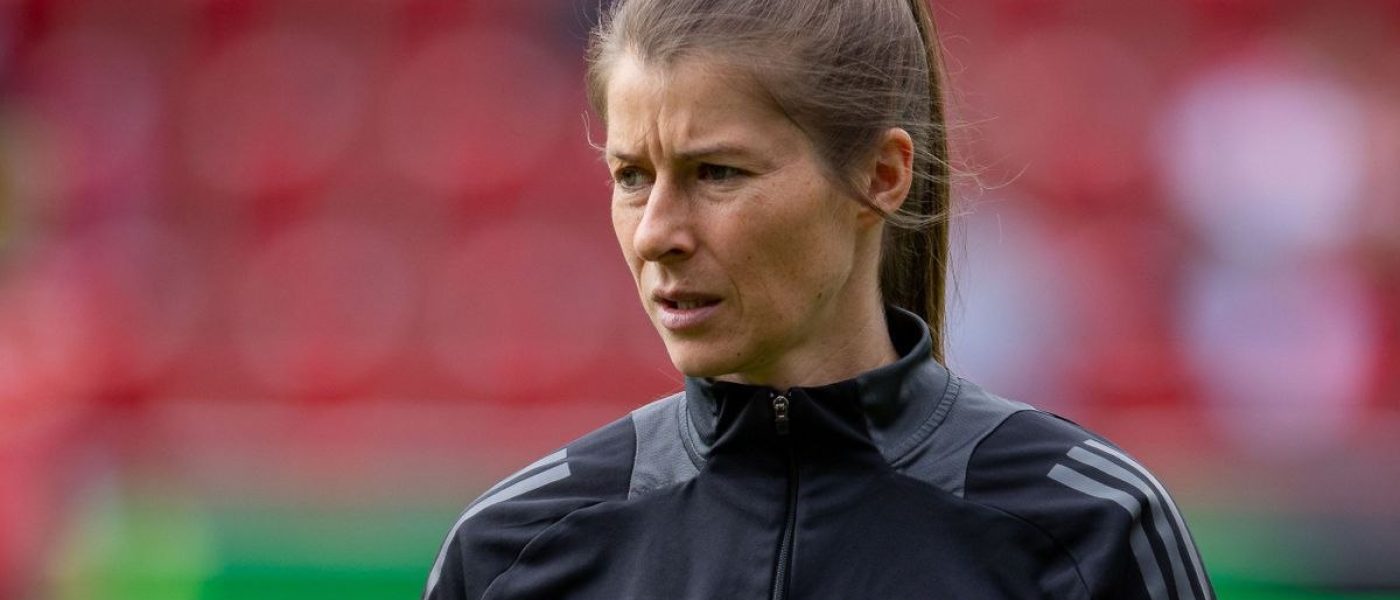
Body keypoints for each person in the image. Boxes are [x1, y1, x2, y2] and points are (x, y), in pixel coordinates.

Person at [424, 0, 1215, 598]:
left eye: (717, 173)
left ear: (882, 176)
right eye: (631, 176)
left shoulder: (1090, 530)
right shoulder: (512, 553)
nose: (655, 233)